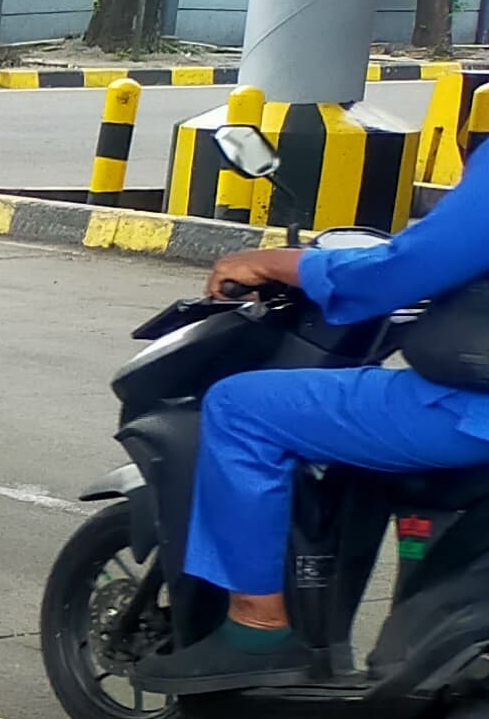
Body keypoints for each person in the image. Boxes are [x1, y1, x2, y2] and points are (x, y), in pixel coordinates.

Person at [131, 187, 489, 690]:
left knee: (239, 408)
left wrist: (273, 263)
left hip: (468, 411)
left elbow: (404, 268)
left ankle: (256, 630)